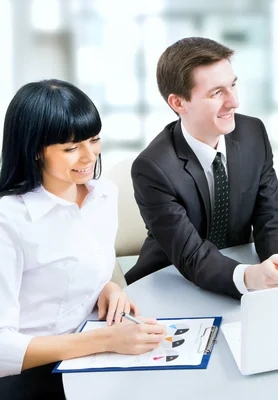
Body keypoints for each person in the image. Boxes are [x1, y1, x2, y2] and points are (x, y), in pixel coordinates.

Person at [0, 80, 166, 399]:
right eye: (71, 148)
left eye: (94, 140)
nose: (89, 156)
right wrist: (106, 341)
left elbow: (73, 264)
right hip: (30, 374)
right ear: (35, 150)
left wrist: (108, 287)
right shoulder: (9, 220)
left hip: (89, 352)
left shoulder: (102, 195)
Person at [124, 37, 278, 298]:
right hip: (172, 284)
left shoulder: (253, 133)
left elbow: (270, 216)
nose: (233, 102)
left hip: (244, 279)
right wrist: (250, 276)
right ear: (178, 103)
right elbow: (191, 255)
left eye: (233, 85)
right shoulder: (153, 168)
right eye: (217, 93)